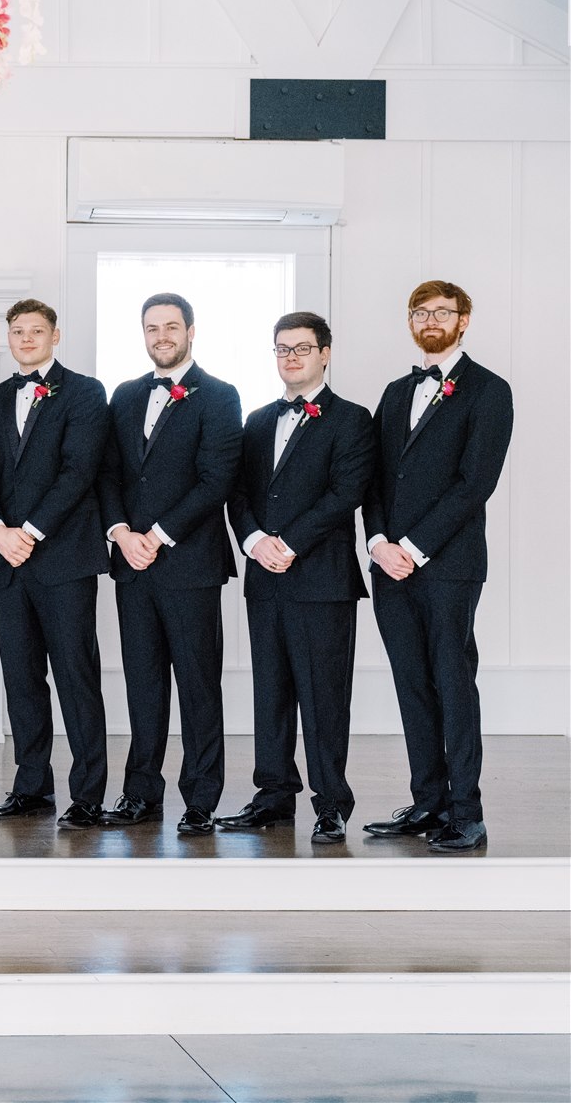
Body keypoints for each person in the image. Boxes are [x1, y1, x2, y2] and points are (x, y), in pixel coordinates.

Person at [362, 280, 514, 854]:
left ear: (464, 320)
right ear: (410, 321)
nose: (431, 320)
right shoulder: (395, 392)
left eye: (442, 312)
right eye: (421, 312)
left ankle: (467, 811)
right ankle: (428, 800)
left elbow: (476, 483)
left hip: (448, 564)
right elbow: (373, 478)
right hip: (388, 565)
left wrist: (415, 547)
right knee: (411, 683)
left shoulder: (489, 391)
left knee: (452, 682)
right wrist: (378, 541)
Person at [221, 313, 377, 845]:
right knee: (272, 692)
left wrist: (289, 543)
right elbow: (236, 493)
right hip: (264, 576)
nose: (291, 358)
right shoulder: (258, 420)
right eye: (282, 349)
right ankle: (273, 796)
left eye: (302, 349)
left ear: (325, 353)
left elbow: (346, 493)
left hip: (323, 579)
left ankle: (332, 803)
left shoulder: (353, 419)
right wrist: (255, 542)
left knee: (324, 695)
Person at [96, 294, 242, 836]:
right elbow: (107, 472)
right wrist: (120, 533)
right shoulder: (126, 394)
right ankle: (141, 794)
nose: (162, 335)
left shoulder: (221, 396)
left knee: (199, 685)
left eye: (171, 326)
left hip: (190, 564)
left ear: (190, 331)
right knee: (143, 684)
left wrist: (155, 536)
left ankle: (202, 797)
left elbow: (216, 478)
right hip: (131, 563)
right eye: (152, 327)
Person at [0, 299, 112, 830]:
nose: (26, 338)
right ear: (8, 336)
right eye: (17, 330)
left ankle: (89, 794)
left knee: (77, 676)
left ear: (56, 335)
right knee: (21, 678)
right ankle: (31, 786)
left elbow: (79, 471)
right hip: (5, 562)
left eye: (36, 330)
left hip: (64, 558)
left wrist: (28, 532)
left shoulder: (84, 392)